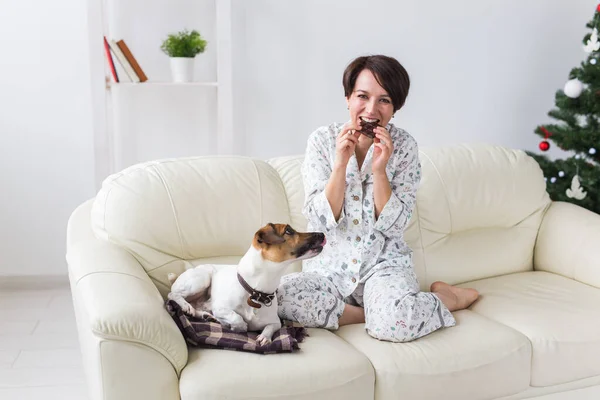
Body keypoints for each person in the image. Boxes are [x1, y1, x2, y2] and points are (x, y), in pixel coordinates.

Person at [277, 54, 479, 342]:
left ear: (395, 107)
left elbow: (394, 226)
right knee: (278, 296)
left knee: (395, 324)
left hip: (383, 266)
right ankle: (371, 314)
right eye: (362, 96)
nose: (372, 109)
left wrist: (380, 171)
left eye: (384, 100)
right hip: (329, 269)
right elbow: (320, 221)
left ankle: (446, 299)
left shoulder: (405, 146)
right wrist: (340, 165)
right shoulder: (322, 140)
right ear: (348, 98)